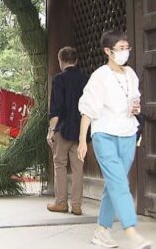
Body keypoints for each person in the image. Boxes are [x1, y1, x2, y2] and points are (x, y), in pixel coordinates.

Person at [77, 30, 152, 249]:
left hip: (128, 133)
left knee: (113, 183)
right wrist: (82, 140)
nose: (125, 52)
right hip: (104, 134)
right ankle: (132, 232)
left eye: (127, 48)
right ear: (108, 51)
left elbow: (134, 100)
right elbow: (88, 111)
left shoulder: (130, 74)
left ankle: (102, 231)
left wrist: (135, 107)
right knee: (120, 182)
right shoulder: (99, 76)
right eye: (121, 48)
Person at [47, 46, 88, 215]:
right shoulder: (85, 79)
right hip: (80, 131)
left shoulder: (59, 80)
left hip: (63, 129)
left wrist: (51, 131)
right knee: (78, 168)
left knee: (60, 165)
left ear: (60, 61)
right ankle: (77, 205)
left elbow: (56, 109)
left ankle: (61, 202)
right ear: (76, 61)